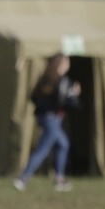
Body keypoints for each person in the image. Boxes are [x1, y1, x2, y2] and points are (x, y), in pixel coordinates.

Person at [13, 53, 81, 192]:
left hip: (44, 118)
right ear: (60, 65)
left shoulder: (46, 79)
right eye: (66, 62)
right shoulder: (62, 81)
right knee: (42, 150)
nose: (68, 65)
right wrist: (74, 94)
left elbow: (34, 97)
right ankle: (23, 179)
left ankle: (59, 179)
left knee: (63, 144)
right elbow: (67, 102)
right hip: (52, 119)